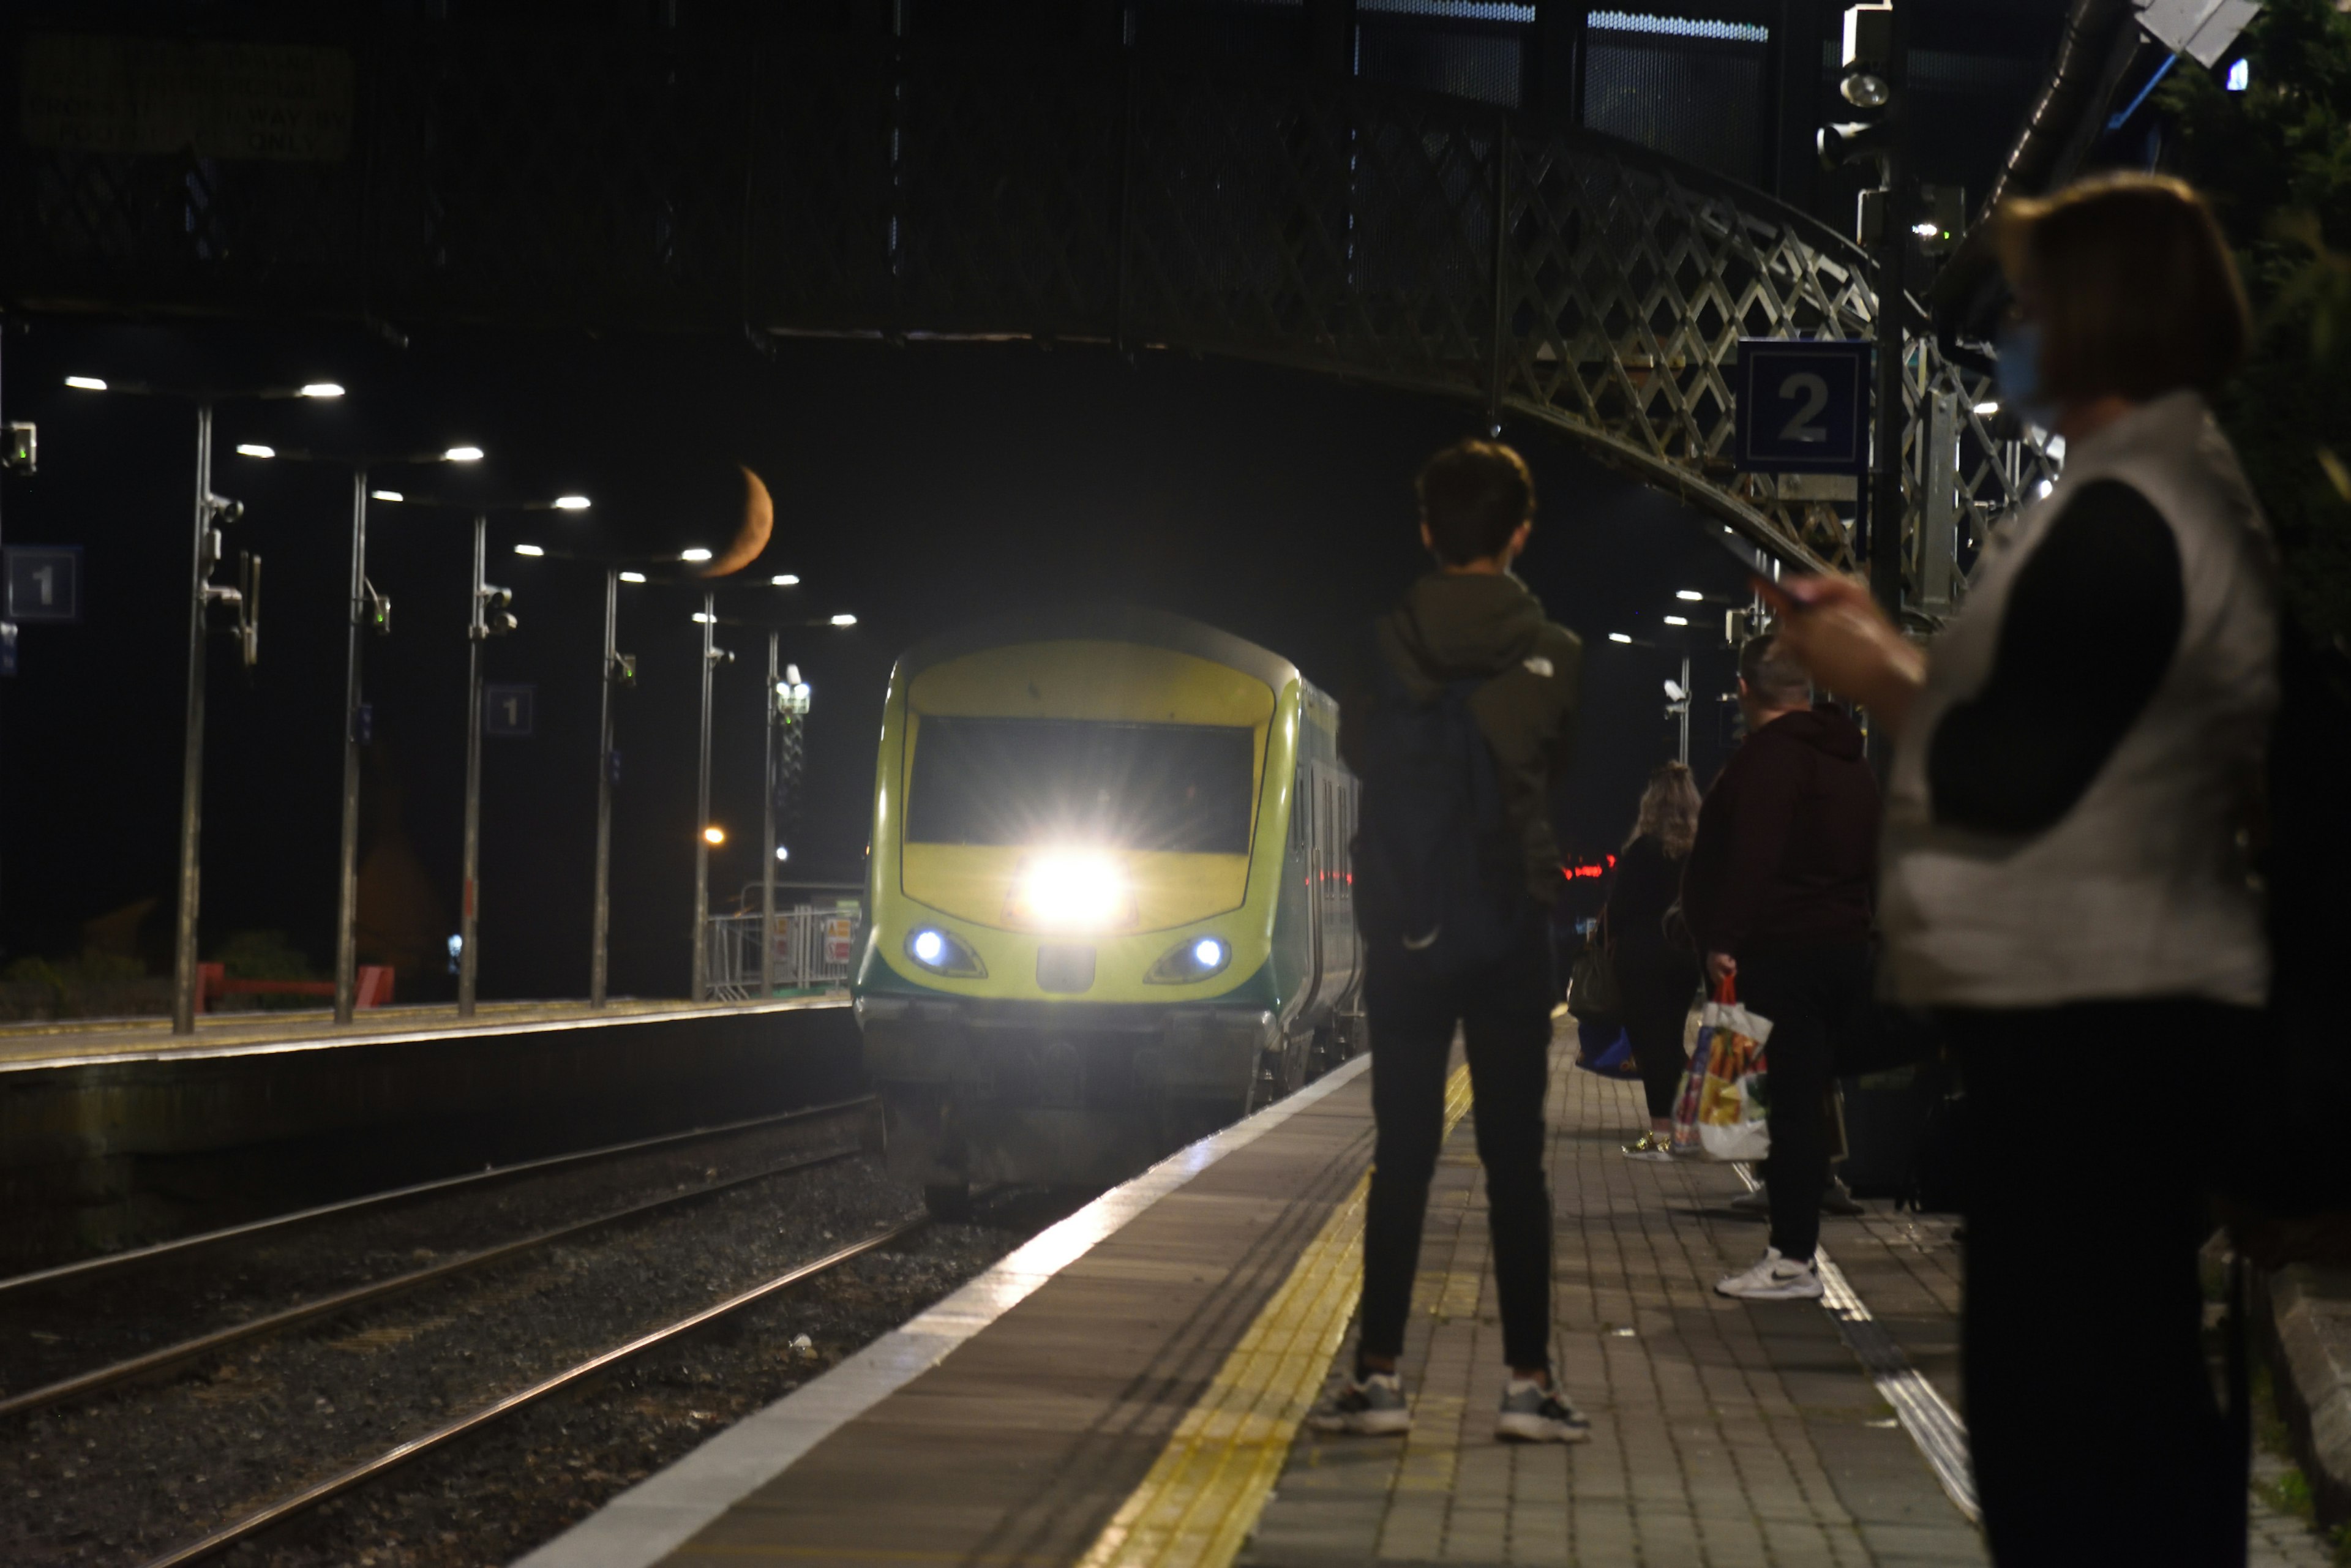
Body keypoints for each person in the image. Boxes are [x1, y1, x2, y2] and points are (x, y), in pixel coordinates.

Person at [1763, 173, 2271, 1565]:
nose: (2011, 331)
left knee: (2075, 1444)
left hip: (2097, 1029)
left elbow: (2014, 770)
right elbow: (2063, 724)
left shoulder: (2132, 513)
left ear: (2101, 318)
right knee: (2100, 1425)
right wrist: (1890, 651)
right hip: (2103, 1020)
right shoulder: (2149, 493)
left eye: (2033, 303)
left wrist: (1875, 674)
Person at [1315, 438, 1589, 1444]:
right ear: (1522, 533)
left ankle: (1379, 1379)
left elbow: (1360, 755)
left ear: (1427, 529)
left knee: (1404, 1154)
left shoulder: (1374, 644)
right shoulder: (1558, 650)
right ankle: (1527, 1386)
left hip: (1408, 919)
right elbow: (1555, 770)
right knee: (1517, 1162)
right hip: (1512, 920)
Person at [1681, 633, 1879, 1300]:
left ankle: (1793, 1260)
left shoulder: (1768, 759)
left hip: (1783, 954)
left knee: (1789, 1110)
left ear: (1744, 690)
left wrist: (1723, 938)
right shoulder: (1851, 760)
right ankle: (1793, 1250)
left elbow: (1753, 856)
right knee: (1806, 1101)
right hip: (1844, 948)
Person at [1608, 762, 1704, 1158]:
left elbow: (1618, 908)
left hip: (1642, 957)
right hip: (1686, 956)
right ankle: (1682, 1130)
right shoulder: (1699, 853)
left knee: (1651, 1046)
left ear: (1652, 803)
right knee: (1672, 1040)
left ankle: (1663, 1133)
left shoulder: (1641, 850)